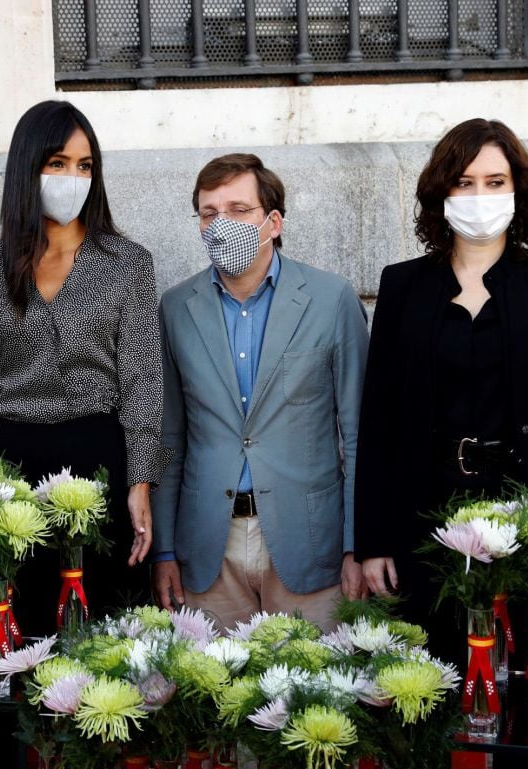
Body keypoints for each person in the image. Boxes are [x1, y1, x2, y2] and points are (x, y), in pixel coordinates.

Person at [354, 119, 528, 665]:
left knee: (526, 690)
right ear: (441, 193)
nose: (479, 196)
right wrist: (373, 541)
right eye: (463, 182)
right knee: (434, 688)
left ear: (518, 191)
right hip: (429, 515)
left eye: (495, 182)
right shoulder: (403, 286)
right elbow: (379, 422)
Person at [0, 100, 165, 631]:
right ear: (28, 168)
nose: (72, 177)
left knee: (107, 633)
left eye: (84, 165)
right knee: (20, 629)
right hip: (14, 469)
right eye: (57, 163)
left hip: (101, 457)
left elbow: (142, 380)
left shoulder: (127, 263)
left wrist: (139, 481)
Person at [151, 153, 369, 632]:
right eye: (209, 213)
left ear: (272, 222)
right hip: (209, 546)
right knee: (214, 697)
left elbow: (357, 437)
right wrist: (165, 549)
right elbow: (168, 439)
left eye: (238, 209)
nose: (221, 224)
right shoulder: (175, 307)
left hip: (308, 542)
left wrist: (358, 546)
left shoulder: (331, 299)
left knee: (313, 696)